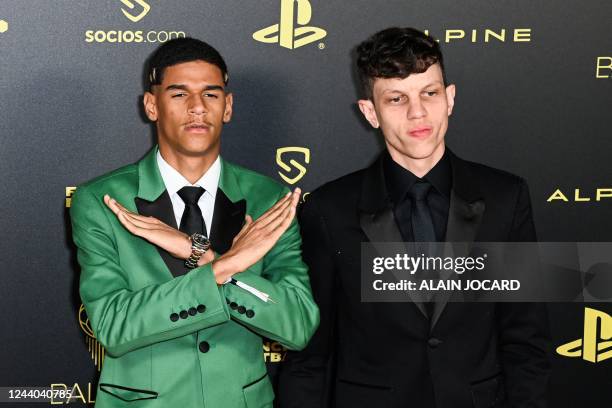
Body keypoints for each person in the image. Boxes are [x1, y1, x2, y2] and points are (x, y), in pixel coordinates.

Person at [278, 27, 550, 408]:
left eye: (429, 93)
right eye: (396, 98)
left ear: (450, 98)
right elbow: (310, 356)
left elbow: (526, 342)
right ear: (370, 112)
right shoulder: (328, 210)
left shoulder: (506, 197)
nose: (417, 112)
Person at [70, 37, 319, 408]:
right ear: (152, 105)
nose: (198, 108)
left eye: (211, 94)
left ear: (228, 106)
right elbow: (113, 326)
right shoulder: (102, 200)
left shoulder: (270, 200)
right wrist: (226, 265)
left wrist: (196, 253)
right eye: (179, 94)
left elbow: (296, 325)